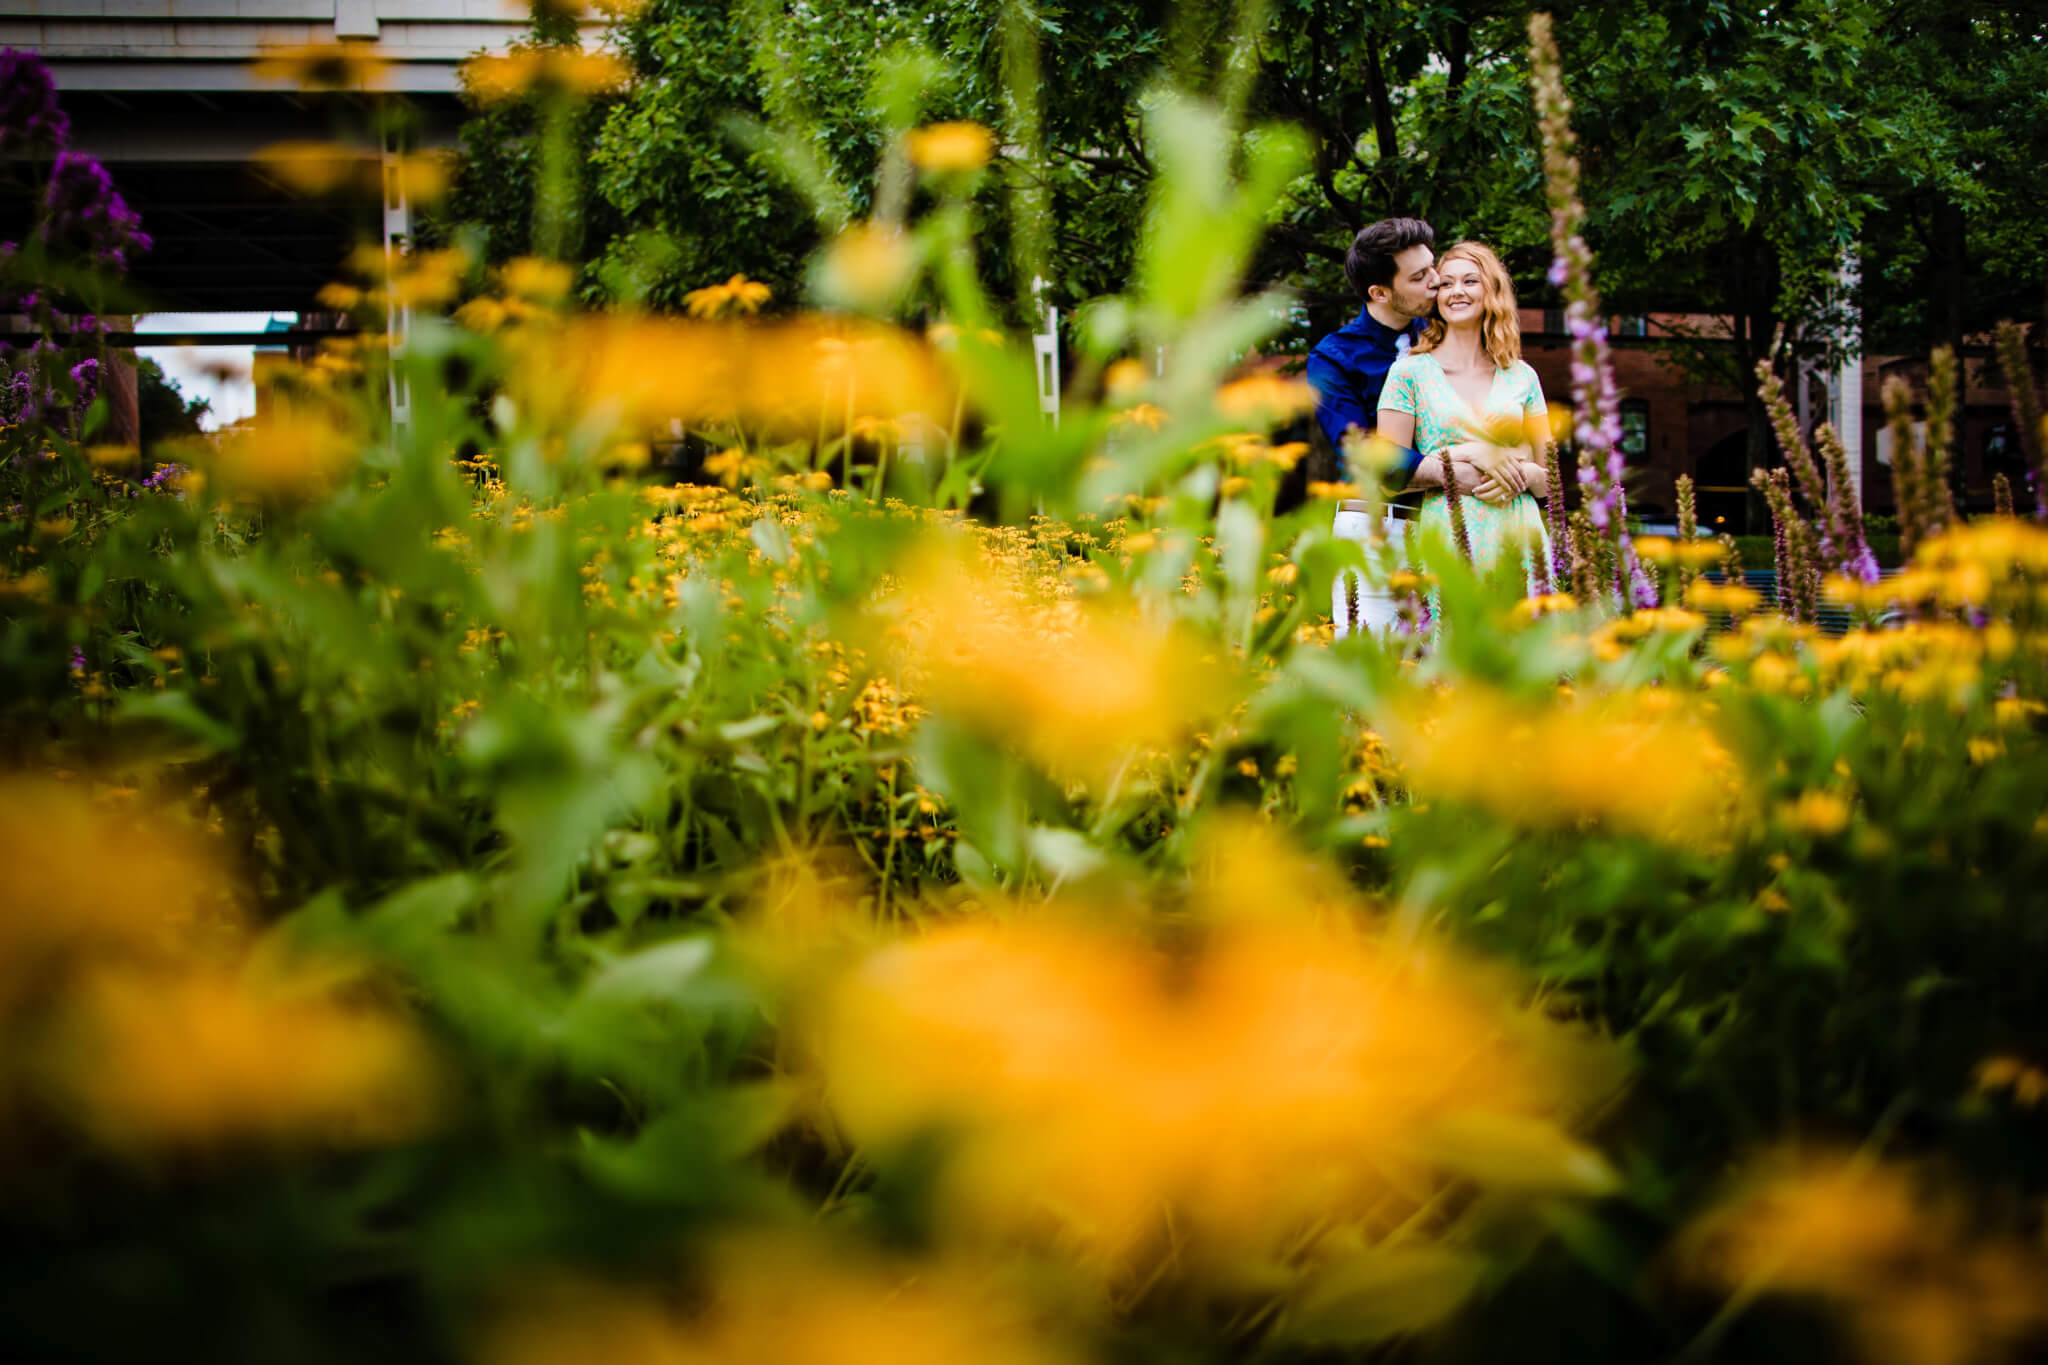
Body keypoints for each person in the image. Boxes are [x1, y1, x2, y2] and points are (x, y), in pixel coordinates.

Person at [1306, 219, 1508, 635]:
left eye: (1433, 267)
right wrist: (1457, 474)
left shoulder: (1454, 335)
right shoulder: (1331, 359)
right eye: (1419, 277)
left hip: (1458, 524)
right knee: (1371, 667)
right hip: (1379, 527)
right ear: (1379, 292)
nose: (1438, 282)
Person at [1375, 240, 1552, 594]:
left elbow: (1551, 483)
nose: (1456, 291)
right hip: (1448, 536)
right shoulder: (1408, 373)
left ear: (1492, 292)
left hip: (1521, 537)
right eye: (1446, 283)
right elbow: (1387, 472)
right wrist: (1470, 454)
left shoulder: (1523, 376)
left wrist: (1525, 474)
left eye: (1470, 281)